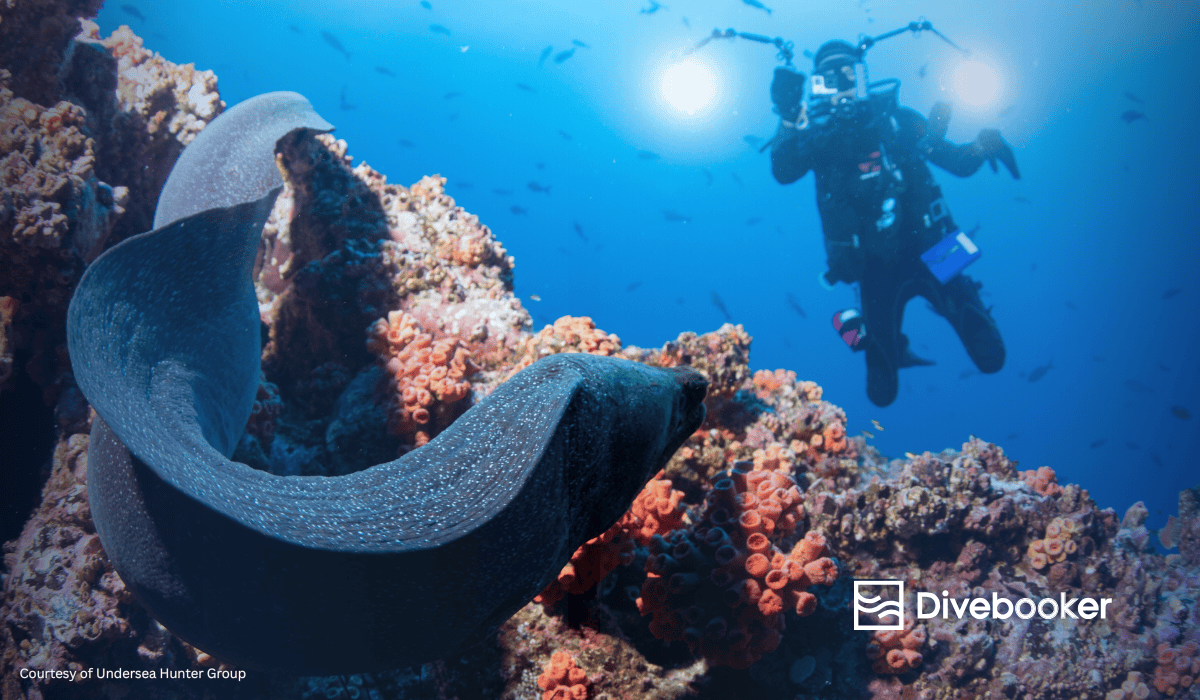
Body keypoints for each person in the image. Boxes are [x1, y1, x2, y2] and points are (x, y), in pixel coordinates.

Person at [768, 40, 1020, 407]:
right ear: (816, 86)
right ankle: (876, 340)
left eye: (849, 76)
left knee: (991, 356)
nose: (842, 89)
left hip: (939, 247)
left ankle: (892, 326)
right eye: (829, 80)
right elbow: (783, 170)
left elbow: (959, 163)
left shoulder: (898, 121)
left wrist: (983, 145)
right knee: (881, 392)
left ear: (865, 77)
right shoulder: (819, 140)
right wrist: (788, 116)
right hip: (872, 267)